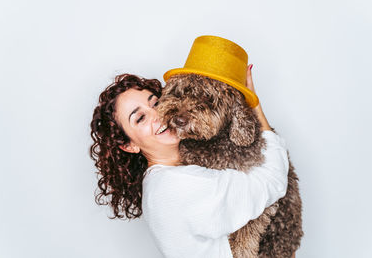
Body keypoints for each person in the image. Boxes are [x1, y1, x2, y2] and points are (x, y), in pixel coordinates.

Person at [90, 65, 289, 258]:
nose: (158, 116)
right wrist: (254, 106)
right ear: (129, 146)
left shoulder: (164, 179)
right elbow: (272, 182)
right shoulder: (175, 187)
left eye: (156, 103)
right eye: (140, 118)